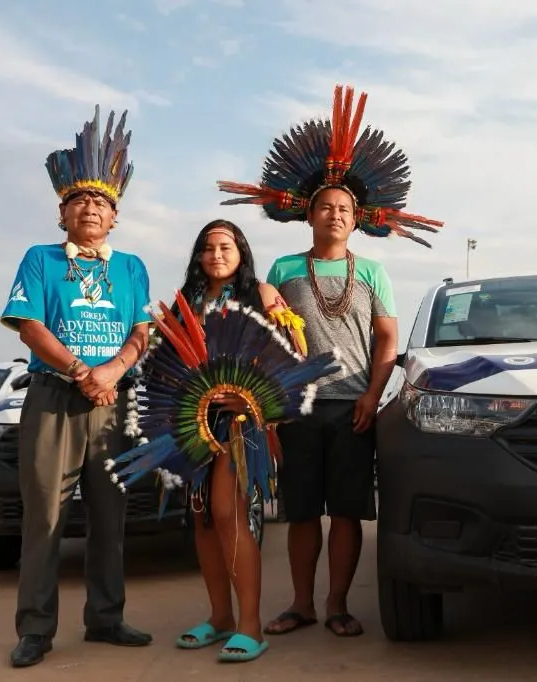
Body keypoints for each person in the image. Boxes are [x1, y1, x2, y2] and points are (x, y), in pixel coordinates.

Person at [215, 83, 444, 638]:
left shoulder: (373, 273)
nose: (335, 215)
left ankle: (338, 605)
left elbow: (386, 340)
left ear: (357, 219)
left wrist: (372, 396)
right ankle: (302, 604)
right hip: (295, 408)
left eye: (344, 209)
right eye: (326, 207)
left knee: (344, 512)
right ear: (310, 215)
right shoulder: (285, 268)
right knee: (300, 513)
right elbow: (261, 329)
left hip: (352, 409)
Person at [0, 106, 154, 668]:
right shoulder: (40, 259)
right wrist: (82, 372)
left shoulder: (131, 267)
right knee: (45, 516)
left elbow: (141, 331)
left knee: (111, 514)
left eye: (101, 202)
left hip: (114, 400)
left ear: (115, 216)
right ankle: (35, 628)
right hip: (54, 398)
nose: (90, 208)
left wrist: (111, 372)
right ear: (62, 211)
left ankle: (106, 618)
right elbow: (30, 326)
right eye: (80, 200)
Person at [167, 219, 306, 662]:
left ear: (241, 252)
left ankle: (250, 625)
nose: (216, 255)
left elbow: (293, 354)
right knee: (203, 518)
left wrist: (252, 398)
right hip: (193, 422)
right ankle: (220, 616)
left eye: (225, 247)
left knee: (229, 514)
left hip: (242, 421)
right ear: (198, 256)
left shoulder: (262, 294)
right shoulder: (186, 301)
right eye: (208, 248)